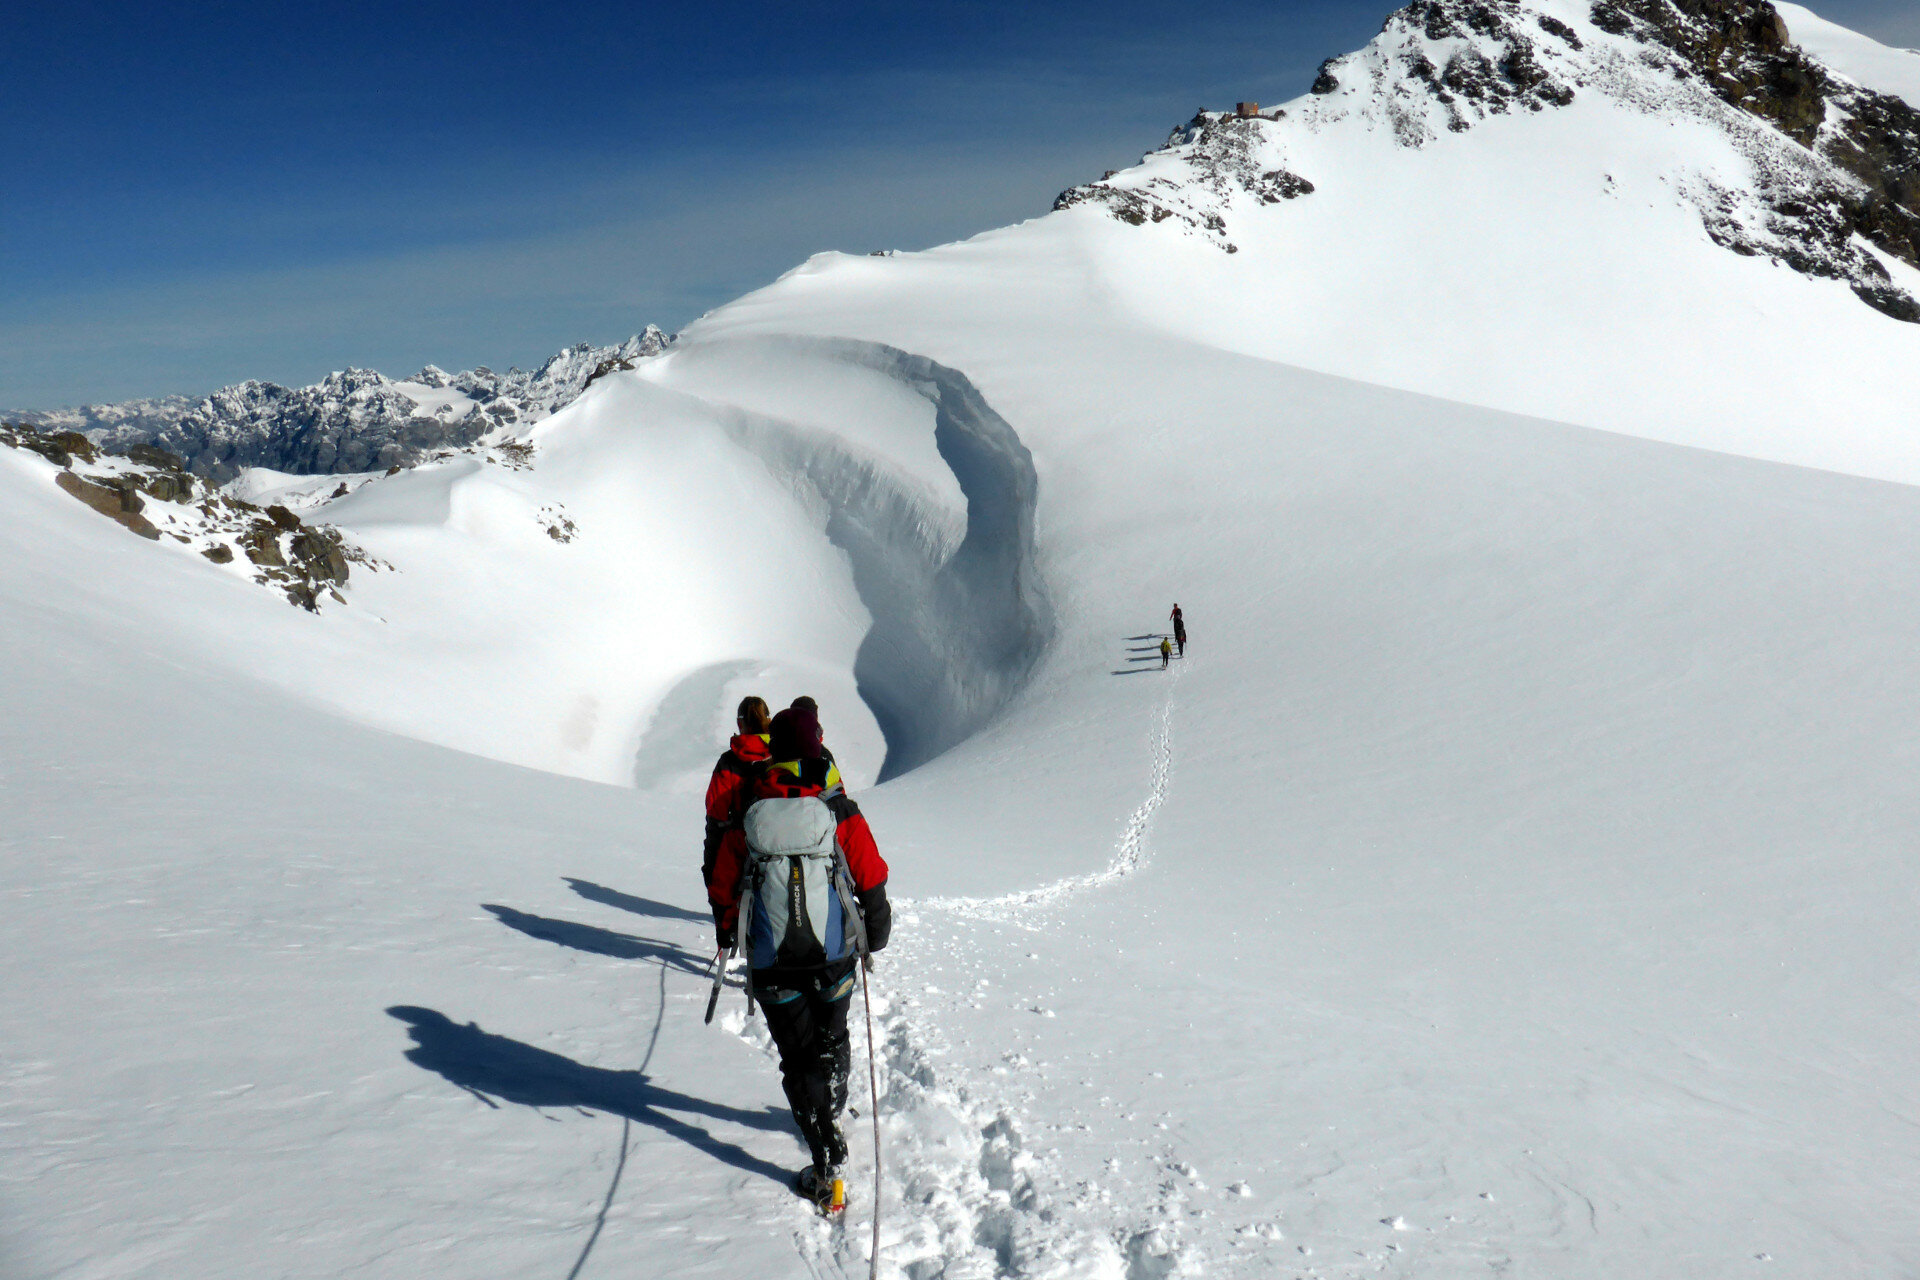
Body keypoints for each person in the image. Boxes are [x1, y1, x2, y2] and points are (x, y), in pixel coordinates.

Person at [707, 704, 892, 1202]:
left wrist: (727, 933)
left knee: (798, 1056)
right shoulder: (838, 809)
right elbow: (870, 873)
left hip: (773, 965)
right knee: (833, 1036)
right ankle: (832, 1110)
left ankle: (825, 1154)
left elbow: (724, 886)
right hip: (834, 957)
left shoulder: (751, 811)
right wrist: (874, 933)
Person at [702, 696, 773, 893]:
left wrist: (711, 867)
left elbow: (716, 814)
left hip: (737, 852)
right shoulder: (782, 755)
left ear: (739, 723)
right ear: (769, 720)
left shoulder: (728, 762)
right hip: (780, 848)